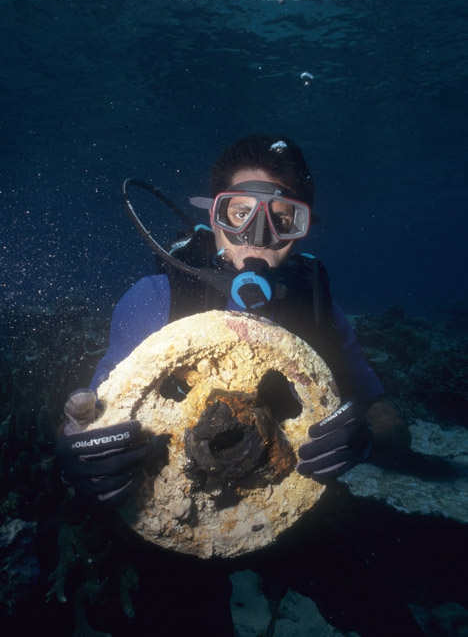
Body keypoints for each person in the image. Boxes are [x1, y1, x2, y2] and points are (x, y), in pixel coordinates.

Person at [56, 134, 420, 637]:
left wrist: (367, 437)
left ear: (304, 228)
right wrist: (76, 447)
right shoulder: (157, 298)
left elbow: (389, 422)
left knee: (385, 616)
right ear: (214, 217)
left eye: (284, 219)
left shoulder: (319, 309)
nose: (258, 237)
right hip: (179, 516)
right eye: (240, 213)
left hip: (288, 509)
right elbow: (93, 415)